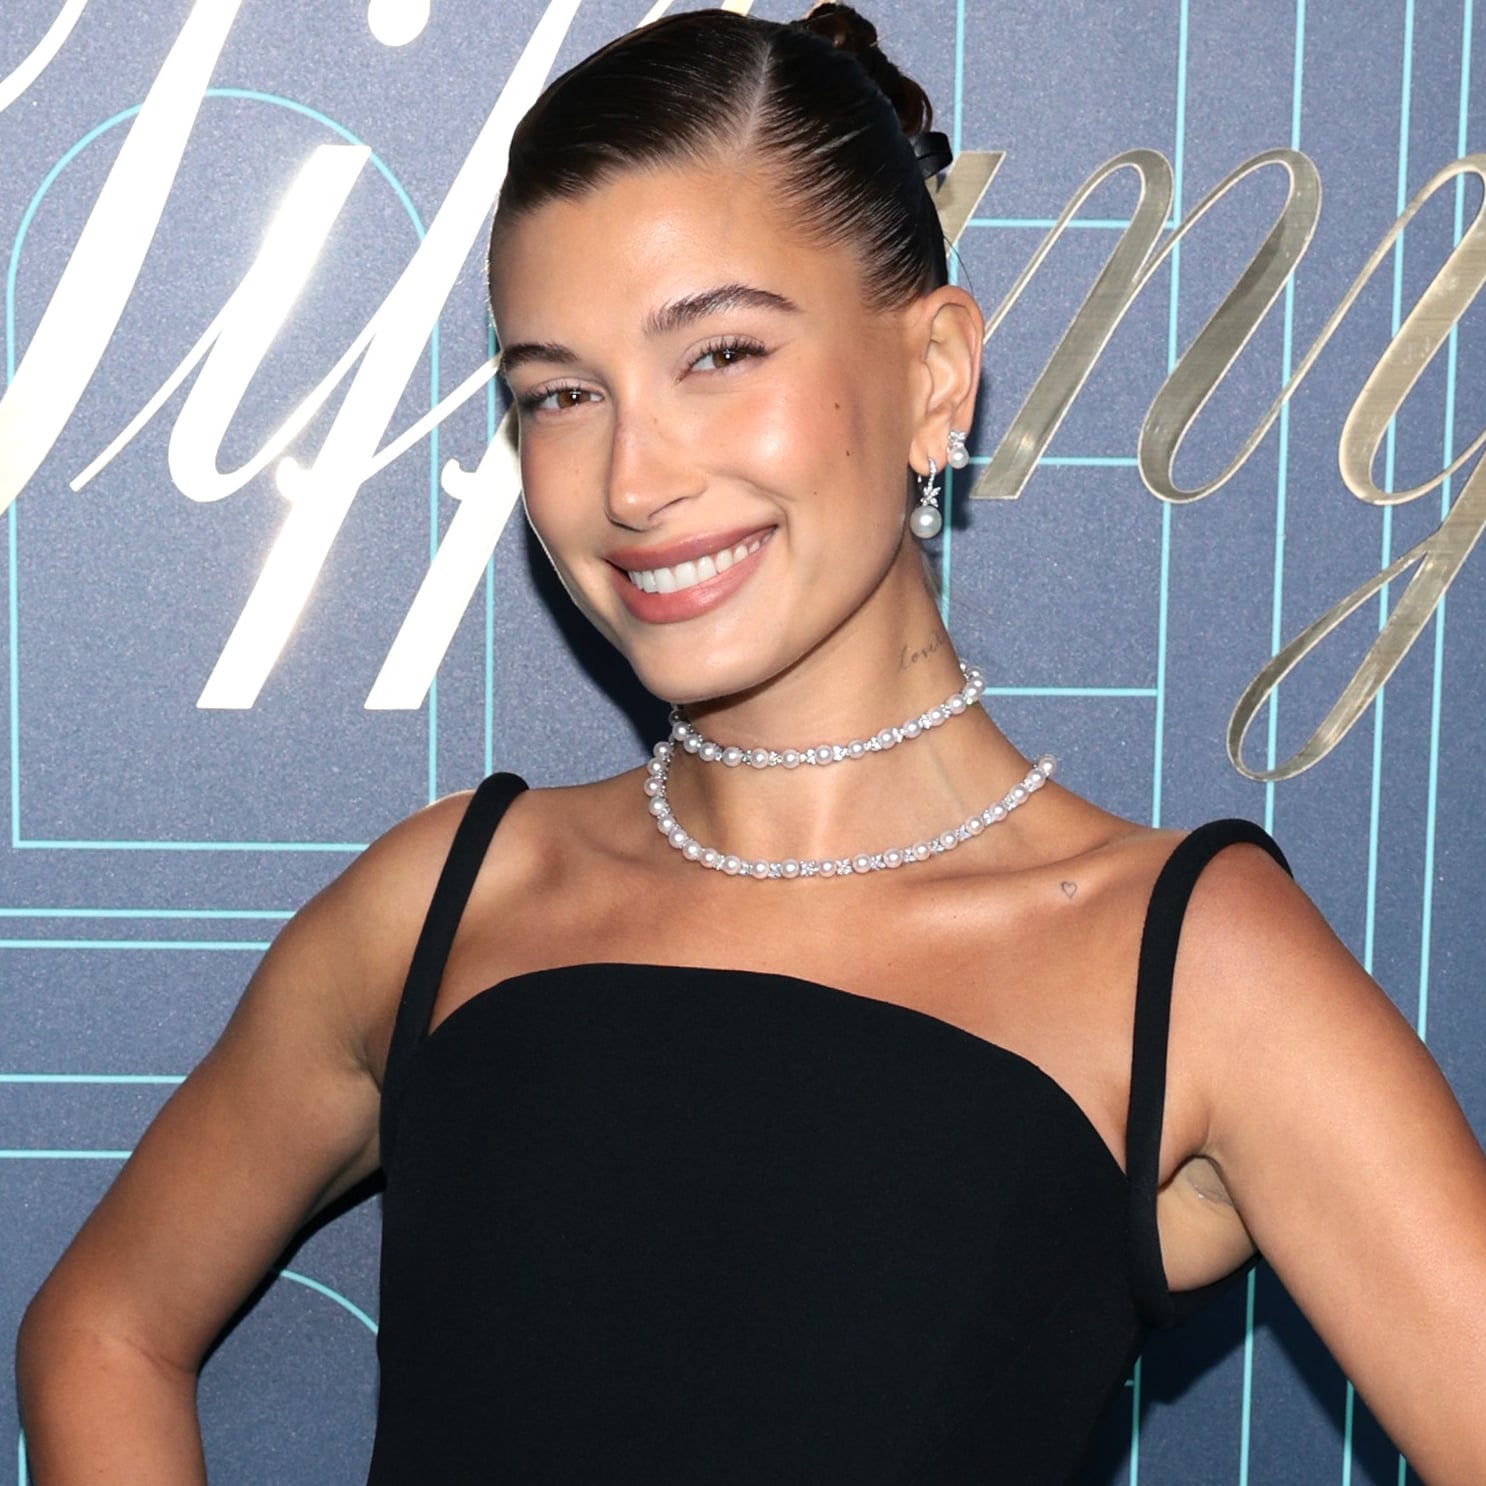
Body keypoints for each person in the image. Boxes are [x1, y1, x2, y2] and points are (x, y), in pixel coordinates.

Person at [16, 6, 1486, 1482]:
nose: (633, 478)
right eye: (560, 393)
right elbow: (103, 1330)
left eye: (719, 353)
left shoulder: (1188, 968)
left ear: (935, 373)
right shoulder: (447, 901)